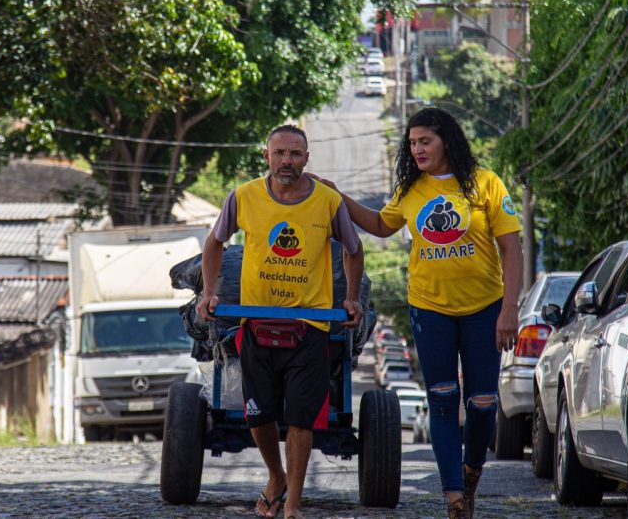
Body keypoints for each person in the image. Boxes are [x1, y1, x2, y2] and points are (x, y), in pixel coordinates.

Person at [311, 108, 522, 519]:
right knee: (443, 401)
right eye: (412, 143)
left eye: (425, 141)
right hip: (429, 308)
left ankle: (472, 468)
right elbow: (380, 224)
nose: (417, 149)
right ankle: (454, 499)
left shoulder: (486, 183)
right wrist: (337, 197)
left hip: (485, 310)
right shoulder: (411, 190)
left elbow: (512, 249)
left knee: (482, 403)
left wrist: (509, 310)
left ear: (446, 140)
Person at [197, 124, 364, 519]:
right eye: (279, 153)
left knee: (302, 420)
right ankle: (276, 475)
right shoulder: (243, 197)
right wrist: (209, 292)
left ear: (307, 158)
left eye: (295, 154)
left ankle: (292, 504)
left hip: (310, 330)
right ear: (267, 156)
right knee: (258, 415)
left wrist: (352, 298)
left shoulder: (327, 200)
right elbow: (214, 243)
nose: (287, 161)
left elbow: (353, 250)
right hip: (256, 325)